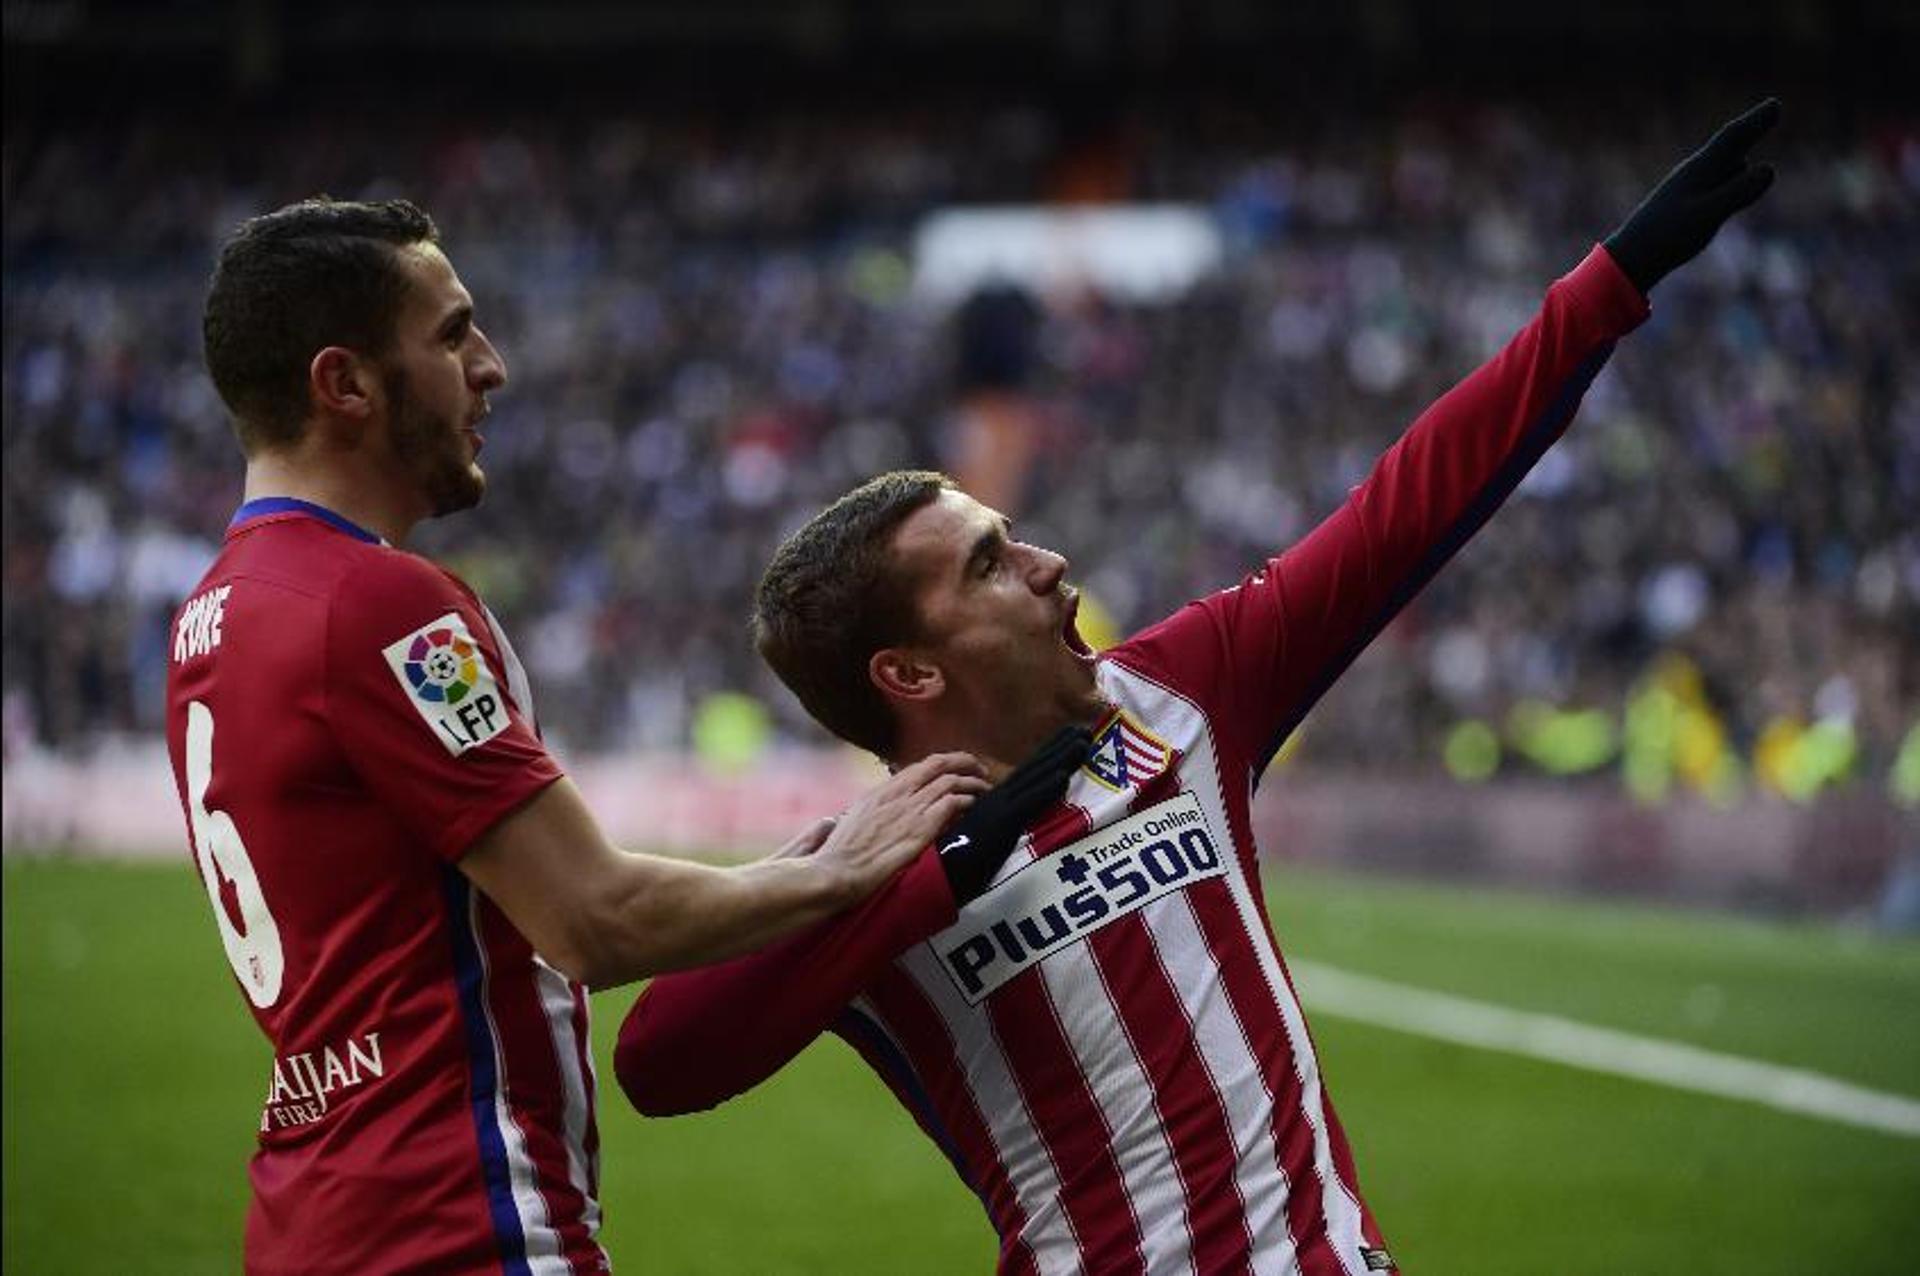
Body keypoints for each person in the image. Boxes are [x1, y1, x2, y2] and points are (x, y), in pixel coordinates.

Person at [613, 101, 1782, 1274]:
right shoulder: (862, 873)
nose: (1048, 562)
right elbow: (660, 1062)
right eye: (989, 565)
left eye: (1011, 534)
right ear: (910, 671)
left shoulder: (1183, 692)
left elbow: (1405, 510)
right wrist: (928, 875)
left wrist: (1611, 282)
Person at [165, 197, 1082, 1275]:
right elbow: (594, 919)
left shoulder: (212, 615)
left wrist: (797, 866)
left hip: (311, 1221)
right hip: (456, 1224)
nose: (492, 366)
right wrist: (847, 868)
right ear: (346, 383)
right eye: (454, 334)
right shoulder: (377, 604)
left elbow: (488, 922)